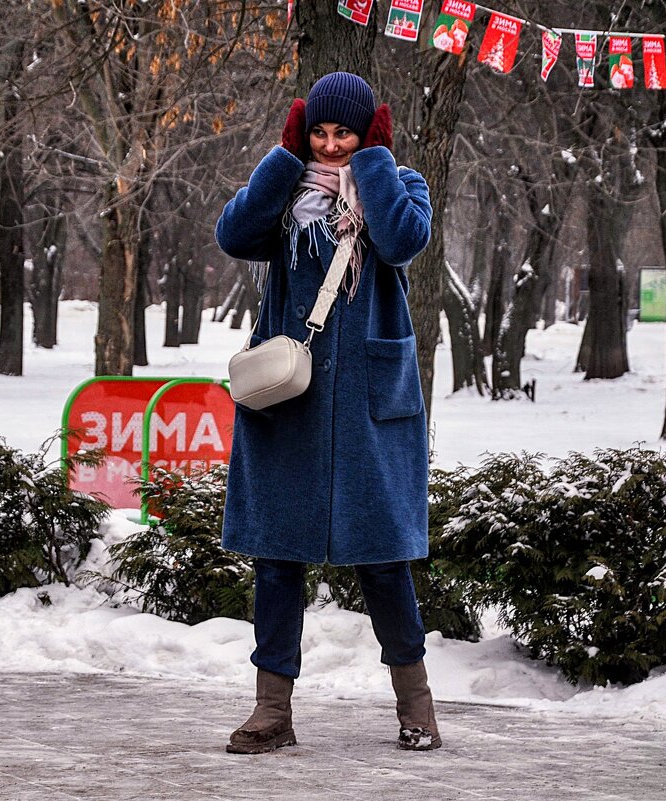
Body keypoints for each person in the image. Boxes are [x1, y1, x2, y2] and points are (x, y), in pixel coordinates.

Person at [215, 72, 438, 753]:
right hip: (291, 401)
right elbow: (234, 232)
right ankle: (271, 711)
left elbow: (401, 241)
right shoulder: (285, 198)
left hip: (370, 406)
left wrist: (374, 161)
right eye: (321, 132)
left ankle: (416, 706)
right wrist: (285, 161)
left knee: (383, 560)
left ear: (368, 133)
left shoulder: (400, 185)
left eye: (346, 132)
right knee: (277, 558)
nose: (333, 144)